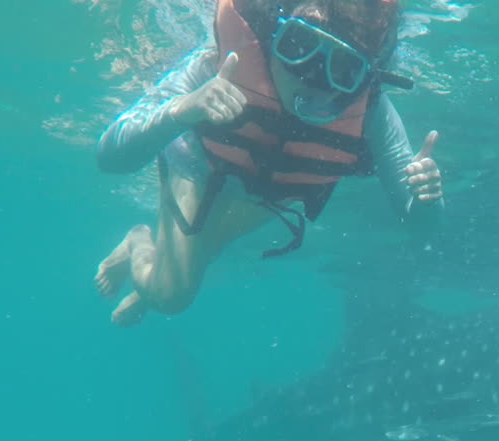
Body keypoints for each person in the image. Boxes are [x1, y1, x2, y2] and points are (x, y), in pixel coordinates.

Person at [92, 0, 444, 327]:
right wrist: (181, 110)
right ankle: (140, 243)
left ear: (364, 76)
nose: (312, 77)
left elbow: (419, 223)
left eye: (342, 67)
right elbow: (109, 155)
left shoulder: (371, 110)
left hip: (271, 187)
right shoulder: (218, 63)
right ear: (270, 33)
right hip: (199, 164)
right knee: (173, 296)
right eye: (298, 47)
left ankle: (155, 278)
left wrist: (427, 200)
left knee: (192, 260)